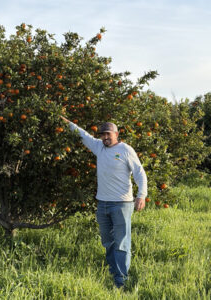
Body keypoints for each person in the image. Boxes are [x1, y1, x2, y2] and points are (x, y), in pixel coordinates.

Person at [61, 116, 147, 288]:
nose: (105, 137)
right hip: (103, 203)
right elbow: (83, 135)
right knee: (107, 241)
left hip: (122, 204)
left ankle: (121, 280)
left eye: (108, 134)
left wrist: (141, 195)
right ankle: (113, 270)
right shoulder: (99, 147)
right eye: (102, 135)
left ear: (116, 134)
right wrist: (66, 122)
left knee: (122, 242)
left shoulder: (125, 150)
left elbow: (139, 172)